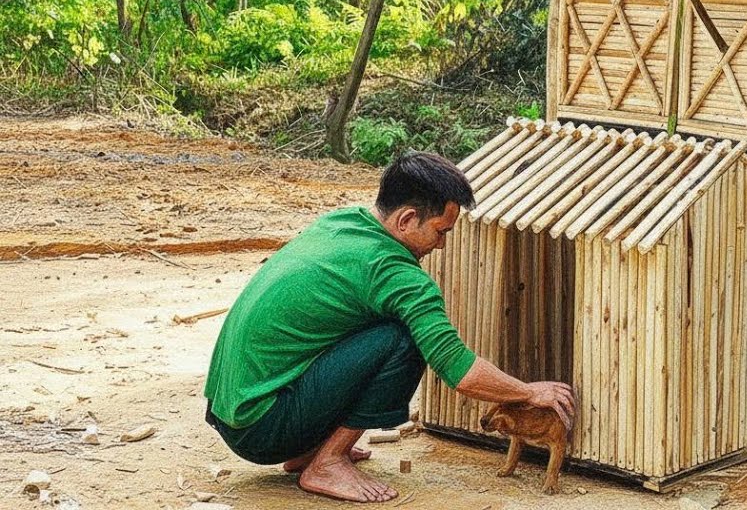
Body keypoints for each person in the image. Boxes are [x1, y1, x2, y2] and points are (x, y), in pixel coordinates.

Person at [203, 151, 575, 503]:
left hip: (229, 412)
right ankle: (327, 462)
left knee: (369, 323)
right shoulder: (396, 273)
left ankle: (310, 450)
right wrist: (527, 393)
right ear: (407, 219)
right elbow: (456, 368)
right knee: (403, 338)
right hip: (262, 429)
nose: (442, 245)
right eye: (441, 231)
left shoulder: (341, 222)